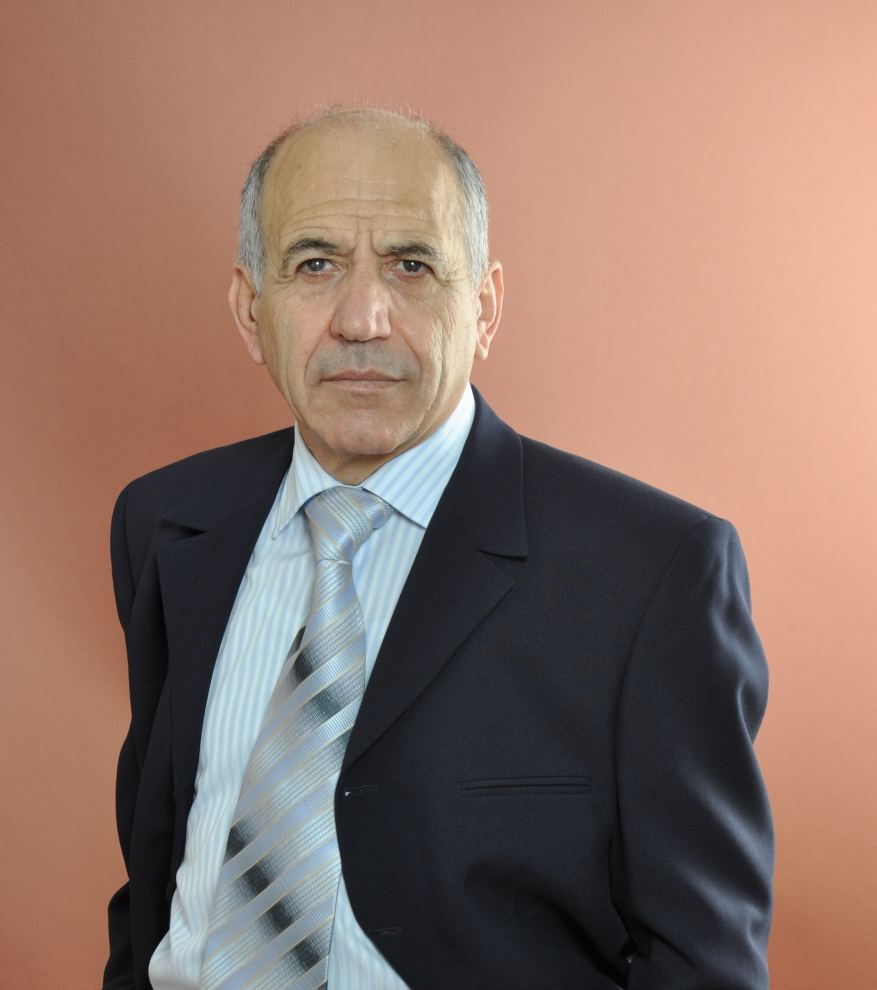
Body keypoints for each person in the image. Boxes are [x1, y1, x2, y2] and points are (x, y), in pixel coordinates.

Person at [103, 107, 774, 990]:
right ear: (249, 308)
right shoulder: (165, 524)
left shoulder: (651, 574)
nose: (362, 319)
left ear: (484, 308)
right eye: (315, 265)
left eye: (411, 265)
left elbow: (703, 965)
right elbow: (161, 871)